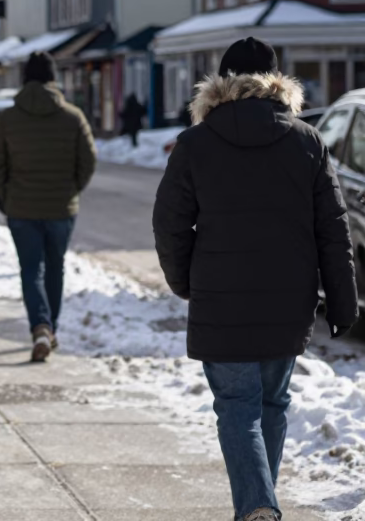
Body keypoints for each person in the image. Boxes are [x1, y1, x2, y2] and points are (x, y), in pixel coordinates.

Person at [153, 38, 358, 521]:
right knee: (271, 403)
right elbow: (333, 227)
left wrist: (184, 282)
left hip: (220, 300)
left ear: (219, 84)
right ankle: (260, 503)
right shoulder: (307, 141)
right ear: (278, 84)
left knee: (236, 406)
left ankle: (257, 505)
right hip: (287, 301)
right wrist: (343, 299)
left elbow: (169, 223)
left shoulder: (195, 144)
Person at [0, 51, 96, 362]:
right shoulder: (73, 117)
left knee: (31, 269)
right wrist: (72, 189)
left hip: (21, 208)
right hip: (62, 208)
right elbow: (88, 160)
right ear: (53, 78)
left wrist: (6, 193)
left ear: (24, 79)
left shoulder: (7, 119)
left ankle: (40, 326)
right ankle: (51, 329)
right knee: (55, 267)